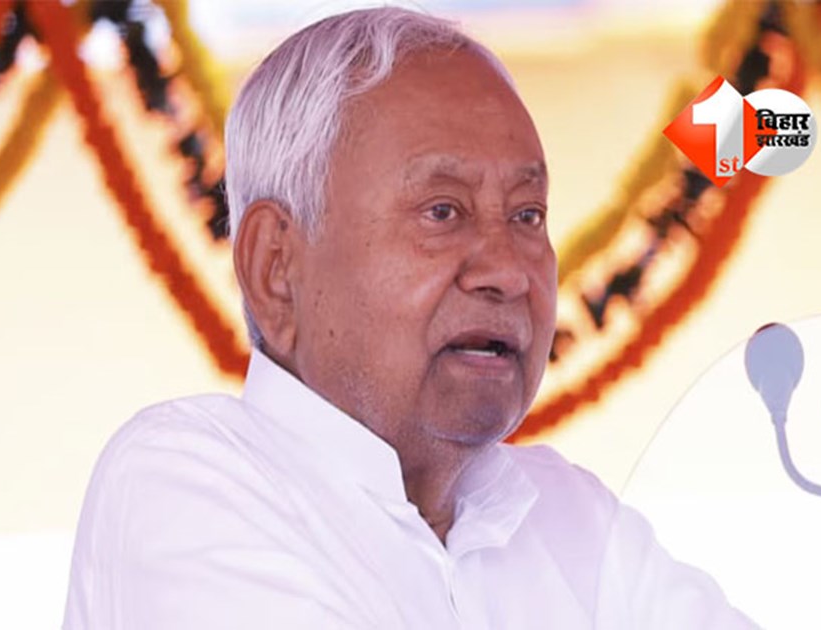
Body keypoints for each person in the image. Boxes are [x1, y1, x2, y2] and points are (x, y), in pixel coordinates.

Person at [63, 7, 755, 629]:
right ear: (277, 266)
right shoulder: (187, 482)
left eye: (527, 215)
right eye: (442, 212)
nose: (509, 271)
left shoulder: (565, 516)